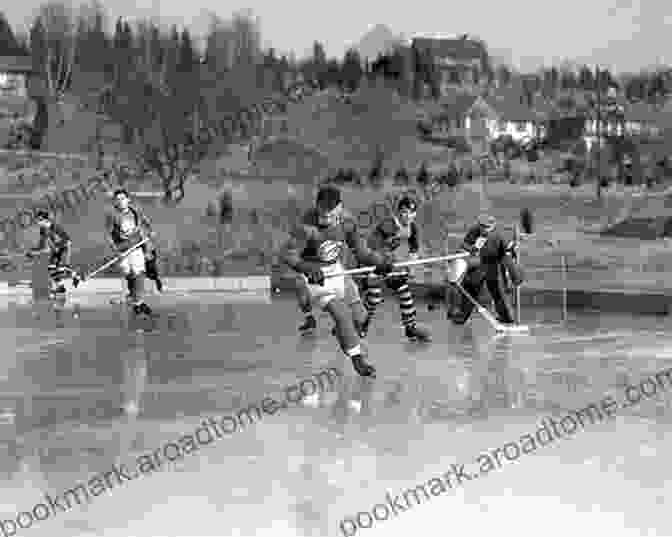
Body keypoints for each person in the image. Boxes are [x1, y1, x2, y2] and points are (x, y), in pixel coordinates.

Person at [281, 185, 395, 377]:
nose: (324, 219)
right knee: (342, 314)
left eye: (329, 215)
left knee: (360, 317)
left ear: (340, 208)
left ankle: (344, 333)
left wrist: (379, 262)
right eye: (321, 214)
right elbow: (289, 255)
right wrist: (307, 268)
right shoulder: (306, 227)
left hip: (337, 273)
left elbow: (361, 251)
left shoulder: (347, 222)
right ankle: (358, 361)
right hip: (315, 276)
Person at [360, 196, 431, 342]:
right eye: (404, 212)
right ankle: (360, 323)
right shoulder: (388, 225)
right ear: (398, 212)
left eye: (411, 213)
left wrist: (410, 267)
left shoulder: (412, 228)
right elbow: (373, 246)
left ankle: (410, 328)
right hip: (372, 261)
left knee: (404, 292)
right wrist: (385, 260)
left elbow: (414, 251)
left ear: (415, 213)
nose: (408, 216)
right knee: (374, 298)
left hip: (389, 264)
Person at [451, 214, 523, 325]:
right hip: (478, 263)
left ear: (492, 226)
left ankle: (506, 317)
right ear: (479, 225)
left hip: (494, 264)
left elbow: (506, 256)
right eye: (482, 226)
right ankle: (462, 316)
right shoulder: (474, 230)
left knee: (498, 292)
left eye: (487, 227)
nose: (484, 229)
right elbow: (464, 244)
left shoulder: (500, 235)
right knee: (470, 289)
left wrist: (514, 274)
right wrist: (471, 249)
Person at [105, 189, 156, 316]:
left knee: (138, 272)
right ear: (115, 202)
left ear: (128, 200)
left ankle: (138, 303)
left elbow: (146, 221)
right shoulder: (113, 216)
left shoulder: (135, 212)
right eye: (117, 200)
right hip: (122, 249)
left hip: (136, 246)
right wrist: (116, 251)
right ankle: (135, 299)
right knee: (128, 273)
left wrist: (150, 231)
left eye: (123, 199)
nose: (120, 201)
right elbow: (109, 236)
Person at [25, 210, 74, 295]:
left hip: (63, 247)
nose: (38, 222)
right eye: (37, 220)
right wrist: (33, 252)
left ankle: (75, 275)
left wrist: (66, 258)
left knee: (61, 268)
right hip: (56, 249)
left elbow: (68, 242)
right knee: (51, 268)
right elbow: (43, 246)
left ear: (46, 220)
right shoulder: (43, 230)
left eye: (40, 220)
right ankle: (60, 287)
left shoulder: (54, 227)